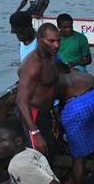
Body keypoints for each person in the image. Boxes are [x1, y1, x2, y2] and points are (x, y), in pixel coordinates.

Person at [56, 65, 94, 184]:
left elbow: (50, 107)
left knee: (78, 157)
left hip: (76, 107)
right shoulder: (79, 73)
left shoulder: (53, 82)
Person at [17, 23, 61, 157]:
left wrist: (54, 118)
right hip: (33, 116)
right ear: (39, 39)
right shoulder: (33, 64)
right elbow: (21, 101)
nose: (56, 45)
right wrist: (35, 133)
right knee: (38, 158)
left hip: (46, 113)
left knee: (50, 152)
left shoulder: (51, 56)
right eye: (51, 41)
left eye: (58, 41)